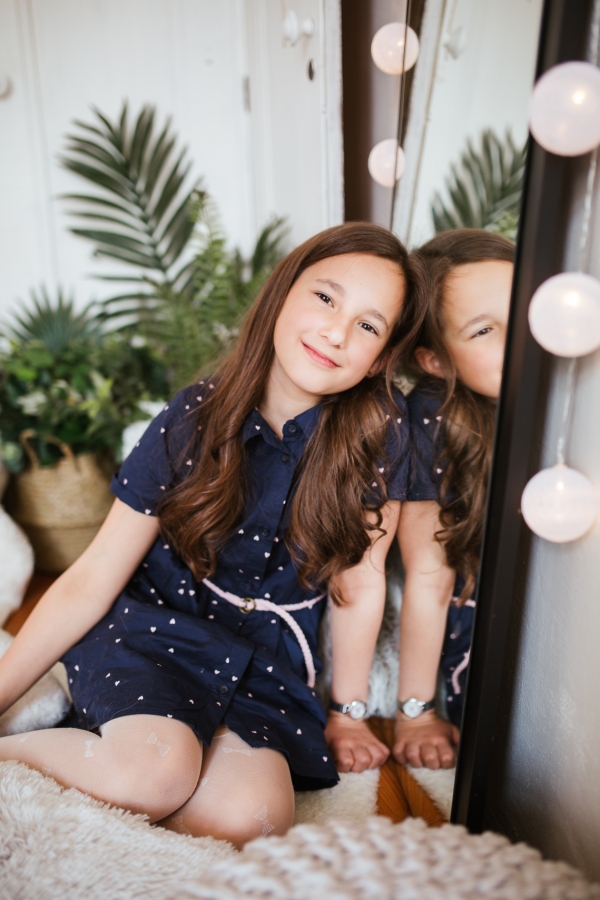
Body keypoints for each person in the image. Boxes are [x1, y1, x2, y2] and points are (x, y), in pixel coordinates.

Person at [0, 223, 424, 847]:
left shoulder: (382, 436)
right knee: (154, 771)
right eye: (325, 298)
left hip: (264, 659)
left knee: (248, 818)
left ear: (382, 358)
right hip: (156, 625)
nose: (337, 332)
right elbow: (93, 574)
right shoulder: (195, 415)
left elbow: (359, 586)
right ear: (282, 294)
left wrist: (348, 713)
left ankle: (123, 757)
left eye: (368, 325)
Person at [391, 228, 514, 770]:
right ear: (435, 361)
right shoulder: (432, 419)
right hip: (494, 615)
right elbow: (429, 575)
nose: (522, 338)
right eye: (484, 329)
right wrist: (416, 713)